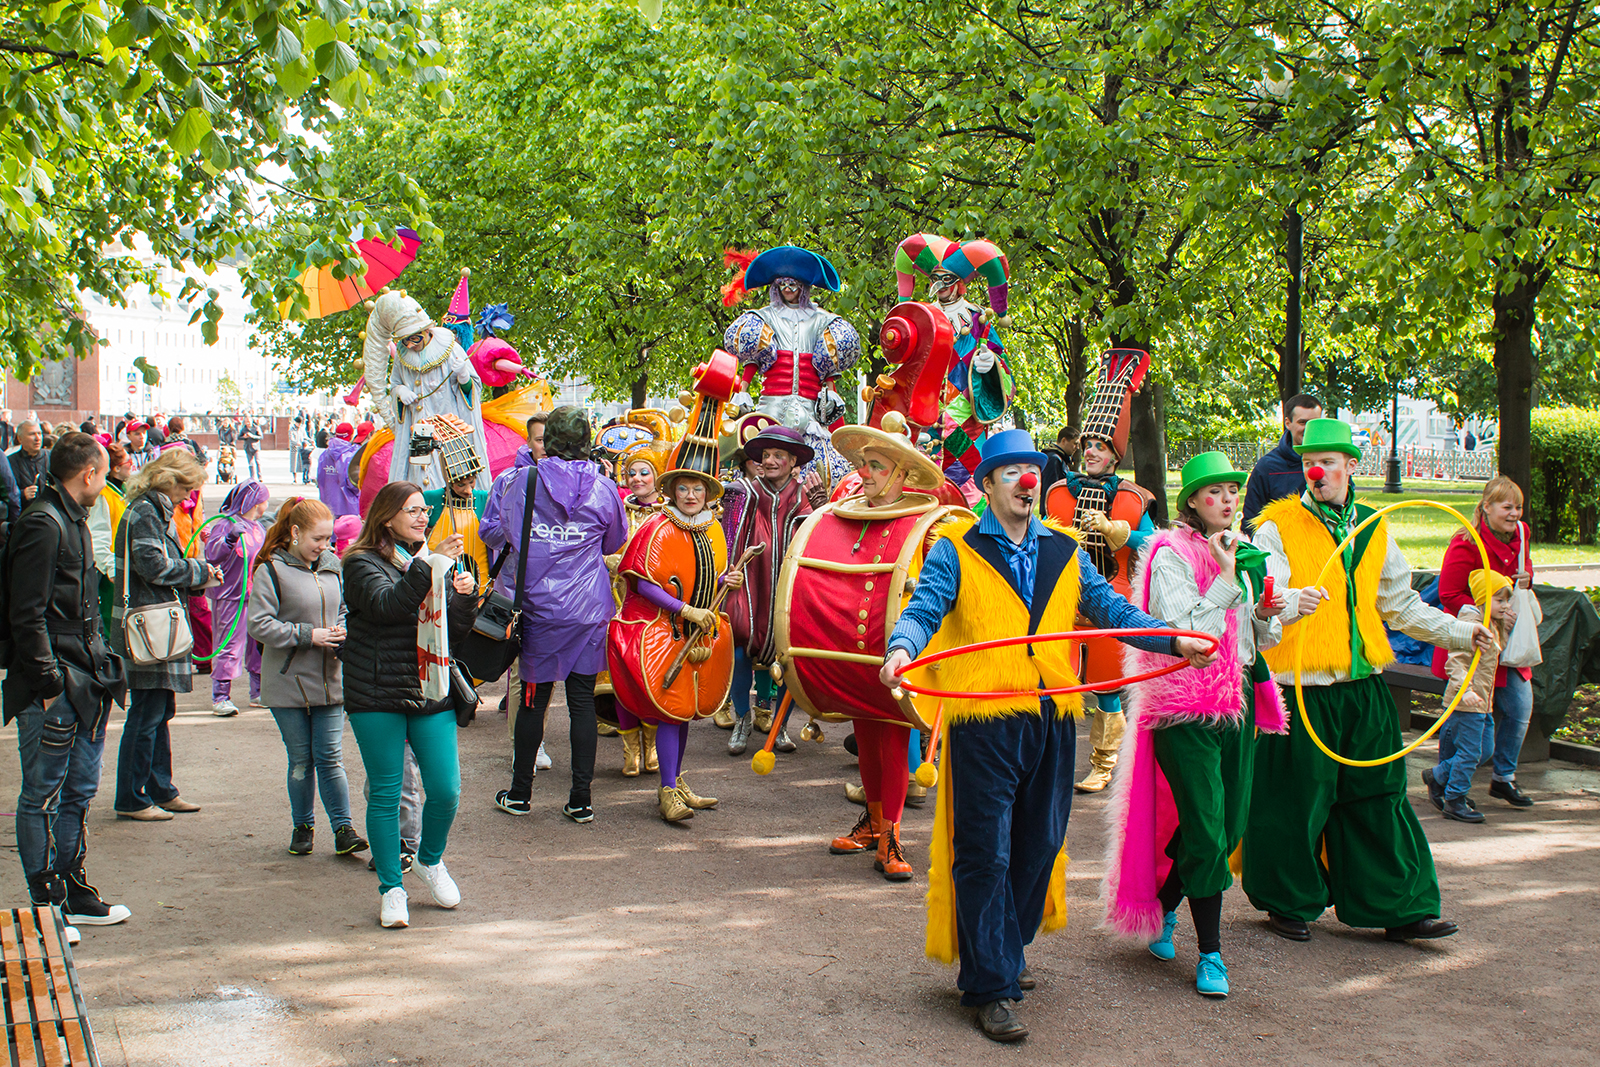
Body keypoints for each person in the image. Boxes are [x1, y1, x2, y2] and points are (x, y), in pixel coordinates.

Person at [879, 429, 1217, 1042]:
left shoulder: (1066, 549)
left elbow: (1112, 612)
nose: (1027, 482)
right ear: (987, 485)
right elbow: (925, 607)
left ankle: (1006, 946)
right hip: (985, 721)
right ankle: (991, 984)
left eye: (1031, 471)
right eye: (1011, 472)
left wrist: (1173, 640)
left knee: (1039, 847)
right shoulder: (955, 548)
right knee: (985, 852)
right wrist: (902, 648)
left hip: (1052, 720)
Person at [1245, 418, 1496, 944]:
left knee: (1380, 795)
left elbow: (1400, 606)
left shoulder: (1373, 527)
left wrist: (1460, 632)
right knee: (1294, 798)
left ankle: (1401, 907)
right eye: (1309, 463)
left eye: (1328, 462)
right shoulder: (1277, 526)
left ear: (1350, 466)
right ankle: (1287, 900)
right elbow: (1265, 596)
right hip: (1301, 689)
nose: (1317, 472)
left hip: (1363, 690)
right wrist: (1290, 601)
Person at [1103, 451, 1287, 1000]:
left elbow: (1254, 639)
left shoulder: (1241, 550)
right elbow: (1191, 634)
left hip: (1237, 701)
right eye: (1215, 492)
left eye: (1233, 491)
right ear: (1192, 502)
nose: (1228, 501)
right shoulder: (1169, 555)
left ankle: (1165, 906)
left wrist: (1266, 612)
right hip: (1184, 706)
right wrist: (1227, 579)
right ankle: (1211, 953)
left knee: (1226, 827)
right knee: (1206, 829)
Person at [782, 417, 964, 880]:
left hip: (899, 653)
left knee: (892, 737)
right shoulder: (842, 516)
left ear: (902, 474)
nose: (864, 472)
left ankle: (892, 835)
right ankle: (875, 823)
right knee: (865, 737)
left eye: (876, 465)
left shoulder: (927, 526)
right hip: (851, 653)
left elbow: (940, 592)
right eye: (863, 464)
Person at [3, 432, 132, 929]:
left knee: (78, 790)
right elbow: (26, 613)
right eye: (103, 473)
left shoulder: (70, 517)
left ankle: (72, 892)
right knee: (42, 795)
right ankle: (46, 906)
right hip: (54, 683)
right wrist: (49, 681)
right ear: (89, 473)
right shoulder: (43, 522)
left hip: (85, 677)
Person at [342, 481, 477, 929]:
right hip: (376, 691)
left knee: (446, 790)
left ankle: (429, 859)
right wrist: (429, 564)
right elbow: (388, 607)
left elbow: (453, 633)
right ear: (386, 518)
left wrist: (464, 597)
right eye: (412, 511)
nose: (423, 517)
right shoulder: (360, 563)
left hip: (429, 687)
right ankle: (391, 889)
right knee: (386, 793)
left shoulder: (428, 561)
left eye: (424, 510)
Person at [489, 407, 626, 824]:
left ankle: (520, 794)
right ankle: (581, 800)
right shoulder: (604, 487)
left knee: (534, 701)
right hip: (587, 608)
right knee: (582, 702)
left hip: (540, 608)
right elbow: (613, 542)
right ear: (587, 442)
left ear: (548, 441)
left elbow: (505, 532)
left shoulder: (523, 481)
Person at [1043, 349, 1156, 794]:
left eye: (1101, 446)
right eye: (1088, 444)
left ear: (1115, 456)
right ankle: (1048, 760)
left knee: (1107, 686)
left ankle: (1104, 762)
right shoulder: (1058, 491)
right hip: (1061, 600)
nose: (1090, 451)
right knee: (1054, 684)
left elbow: (1156, 547)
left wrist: (1120, 532)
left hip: (1111, 595)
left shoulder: (1133, 497)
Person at [606, 449, 740, 822]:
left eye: (698, 489)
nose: (691, 495)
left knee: (684, 713)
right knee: (671, 711)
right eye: (684, 488)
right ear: (672, 491)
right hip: (664, 631)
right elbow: (643, 583)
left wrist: (726, 581)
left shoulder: (712, 528)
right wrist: (685, 610)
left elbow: (705, 577)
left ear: (708, 493)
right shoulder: (657, 527)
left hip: (697, 633)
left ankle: (676, 782)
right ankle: (667, 790)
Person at [248, 497, 367, 857]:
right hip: (288, 681)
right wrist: (307, 635)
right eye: (318, 538)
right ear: (296, 532)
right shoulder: (270, 570)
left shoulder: (333, 567)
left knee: (330, 756)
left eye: (329, 539)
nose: (324, 546)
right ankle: (303, 826)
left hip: (331, 677)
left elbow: (344, 609)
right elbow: (259, 624)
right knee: (301, 759)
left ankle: (343, 829)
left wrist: (343, 628)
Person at [111, 449, 221, 821]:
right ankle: (132, 797)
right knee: (148, 713)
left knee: (158, 711)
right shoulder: (147, 511)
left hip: (157, 623)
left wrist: (196, 573)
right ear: (170, 481)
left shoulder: (151, 508)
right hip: (152, 625)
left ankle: (159, 789)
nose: (188, 496)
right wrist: (198, 570)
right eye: (186, 488)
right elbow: (153, 566)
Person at [1428, 475, 1538, 809]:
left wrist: (1527, 579)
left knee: (1520, 706)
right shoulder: (1466, 542)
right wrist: (1488, 614)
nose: (1514, 514)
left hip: (1507, 642)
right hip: (1471, 643)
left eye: (1518, 507)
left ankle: (1502, 777)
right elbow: (1449, 593)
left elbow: (1522, 573)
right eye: (1507, 507)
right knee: (1462, 716)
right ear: (1487, 507)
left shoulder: (1521, 534)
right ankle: (1444, 783)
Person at [720, 425, 826, 756]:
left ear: (793, 461)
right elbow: (725, 539)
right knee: (739, 652)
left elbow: (825, 542)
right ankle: (742, 720)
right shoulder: (742, 492)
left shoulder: (806, 497)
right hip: (749, 588)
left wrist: (823, 506)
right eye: (765, 455)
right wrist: (726, 574)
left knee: (790, 660)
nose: (768, 461)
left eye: (778, 455)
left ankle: (780, 725)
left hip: (791, 592)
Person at [722, 245, 862, 480]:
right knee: (760, 467)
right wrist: (742, 391)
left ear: (803, 287)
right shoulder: (764, 317)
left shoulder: (822, 320)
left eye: (793, 284)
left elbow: (828, 364)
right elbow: (753, 361)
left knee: (819, 468)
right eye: (783, 284)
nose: (787, 289)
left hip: (810, 409)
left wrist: (830, 393)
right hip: (771, 406)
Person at [361, 290, 491, 494]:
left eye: (414, 338)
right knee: (421, 478)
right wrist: (401, 391)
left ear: (427, 330)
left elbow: (472, 391)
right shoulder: (403, 355)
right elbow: (394, 384)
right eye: (404, 340)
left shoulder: (451, 349)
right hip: (419, 432)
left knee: (449, 480)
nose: (410, 345)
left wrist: (464, 376)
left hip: (448, 431)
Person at [1424, 570, 1514, 824]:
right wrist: (1466, 690)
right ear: (1483, 599)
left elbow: (1495, 652)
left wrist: (1505, 628)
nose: (1505, 606)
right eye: (1499, 600)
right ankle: (1455, 799)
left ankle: (1438, 775)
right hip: (1468, 700)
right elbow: (1456, 662)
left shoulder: (1492, 623)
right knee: (1471, 752)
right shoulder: (1469, 625)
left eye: (1507, 600)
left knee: (1484, 750)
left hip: (1483, 700)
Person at [604, 437, 669, 773]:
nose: (637, 478)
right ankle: (631, 751)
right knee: (623, 679)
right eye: (632, 472)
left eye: (645, 472)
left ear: (657, 475)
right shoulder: (619, 508)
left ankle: (651, 746)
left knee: (652, 678)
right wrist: (611, 561)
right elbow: (604, 545)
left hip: (657, 608)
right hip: (620, 605)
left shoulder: (669, 514)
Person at [204, 481, 270, 715]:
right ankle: (220, 697)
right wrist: (229, 539)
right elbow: (211, 555)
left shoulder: (258, 527)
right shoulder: (225, 524)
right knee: (229, 645)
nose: (266, 504)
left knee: (258, 644)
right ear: (256, 502)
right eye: (264, 500)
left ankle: (258, 692)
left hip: (255, 596)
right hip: (230, 595)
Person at [1241, 393, 1324, 530]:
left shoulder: (1335, 464)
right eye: (1302, 422)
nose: (1308, 428)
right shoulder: (1267, 467)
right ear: (1288, 423)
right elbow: (1251, 522)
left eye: (1314, 423)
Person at [87, 443, 133, 635]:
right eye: (128, 463)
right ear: (116, 469)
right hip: (109, 568)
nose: (132, 466)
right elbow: (97, 535)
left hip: (120, 563)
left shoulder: (122, 491)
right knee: (109, 620)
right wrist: (109, 567)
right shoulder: (102, 496)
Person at [317, 423, 362, 518]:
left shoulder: (324, 455)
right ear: (351, 435)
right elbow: (353, 483)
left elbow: (320, 480)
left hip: (328, 506)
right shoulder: (351, 455)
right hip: (349, 508)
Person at [1037, 426, 1079, 515]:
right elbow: (1051, 489)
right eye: (1075, 443)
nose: (1077, 447)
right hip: (1053, 513)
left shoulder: (1060, 458)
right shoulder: (1054, 459)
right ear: (1064, 441)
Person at [8, 420, 50, 504]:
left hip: (50, 509)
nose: (37, 438)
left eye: (39, 433)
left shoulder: (51, 456)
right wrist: (22, 494)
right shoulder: (10, 462)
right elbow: (5, 493)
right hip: (25, 510)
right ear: (20, 439)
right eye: (32, 434)